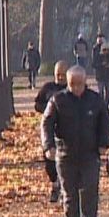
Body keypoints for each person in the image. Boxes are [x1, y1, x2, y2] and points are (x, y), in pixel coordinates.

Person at [42, 65, 109, 217]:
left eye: (80, 84)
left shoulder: (95, 100)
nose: (76, 88)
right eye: (73, 84)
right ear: (68, 82)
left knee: (89, 192)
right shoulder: (58, 100)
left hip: (90, 154)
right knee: (69, 193)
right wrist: (48, 146)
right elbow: (46, 123)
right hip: (66, 154)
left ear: (85, 82)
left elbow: (105, 122)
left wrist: (104, 143)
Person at [33, 60, 70, 203]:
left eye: (63, 75)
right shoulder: (48, 88)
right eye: (58, 75)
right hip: (50, 129)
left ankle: (63, 189)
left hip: (66, 131)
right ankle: (54, 183)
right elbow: (37, 104)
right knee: (49, 160)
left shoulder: (72, 88)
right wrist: (48, 110)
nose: (60, 78)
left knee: (66, 161)